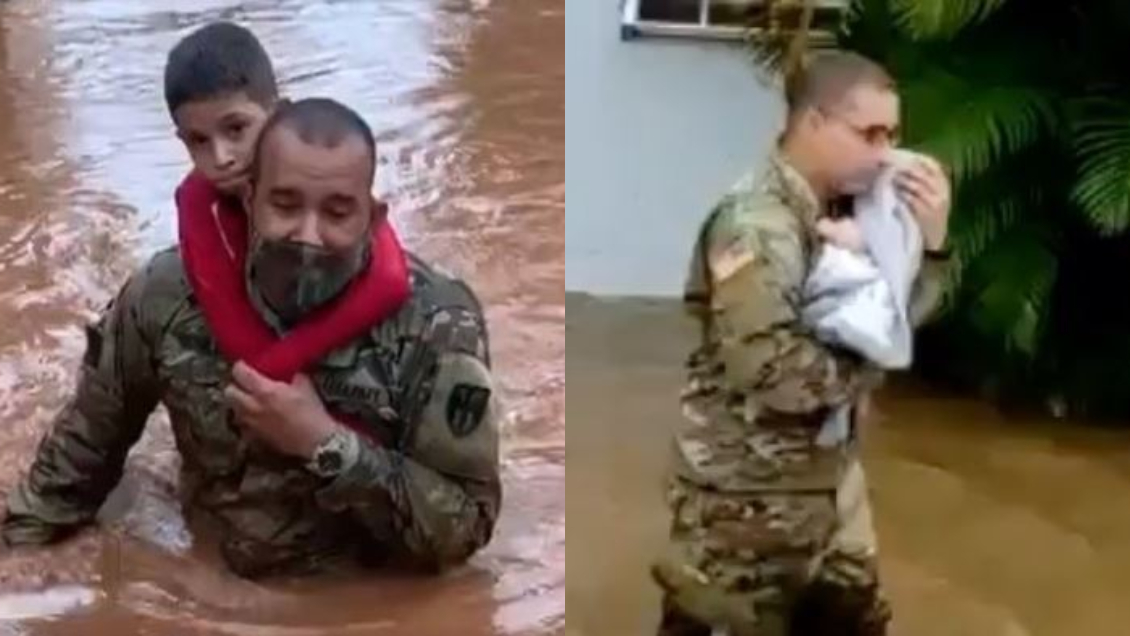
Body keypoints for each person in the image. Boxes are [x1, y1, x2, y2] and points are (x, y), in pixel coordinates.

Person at [1, 97, 502, 579]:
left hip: (362, 591)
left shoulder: (437, 323)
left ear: (372, 218)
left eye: (337, 213)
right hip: (211, 575)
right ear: (250, 199)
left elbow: (465, 528)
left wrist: (325, 444)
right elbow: (75, 468)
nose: (308, 234)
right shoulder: (165, 297)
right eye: (284, 205)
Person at [651, 51, 952, 635]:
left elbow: (891, 324)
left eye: (892, 135)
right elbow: (770, 371)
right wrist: (873, 369)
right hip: (742, 505)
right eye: (869, 133)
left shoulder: (853, 211)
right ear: (814, 122)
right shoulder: (756, 226)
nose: (885, 153)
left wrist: (930, 247)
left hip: (828, 496)